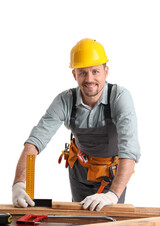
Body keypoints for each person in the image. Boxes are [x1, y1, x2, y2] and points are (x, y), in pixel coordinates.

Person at [12, 38, 140, 211]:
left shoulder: (120, 97)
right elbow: (35, 142)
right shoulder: (65, 100)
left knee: (109, 222)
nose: (89, 79)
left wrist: (113, 194)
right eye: (82, 72)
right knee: (79, 220)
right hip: (79, 170)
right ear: (74, 74)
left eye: (95, 71)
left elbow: (129, 148)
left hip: (113, 174)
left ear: (106, 71)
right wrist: (19, 184)